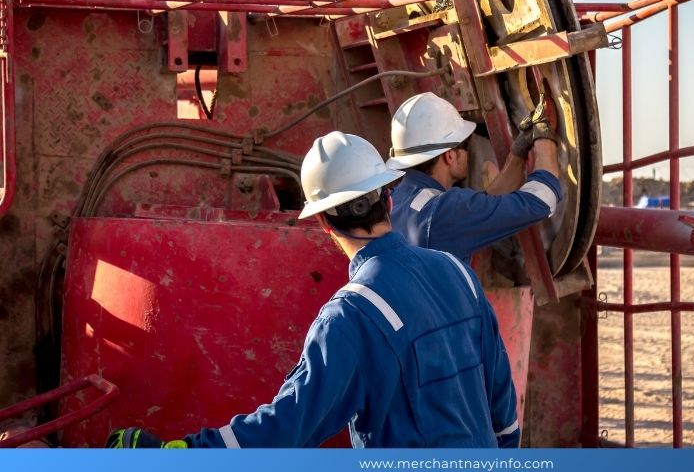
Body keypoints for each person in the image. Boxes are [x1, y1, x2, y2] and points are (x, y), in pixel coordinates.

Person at [106, 131, 519, 449]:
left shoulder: (352, 315)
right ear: (389, 201)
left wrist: (183, 452)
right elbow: (502, 402)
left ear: (323, 224)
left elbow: (289, 425)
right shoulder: (456, 272)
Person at [386, 92, 562, 264]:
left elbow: (485, 205)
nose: (468, 151)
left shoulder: (394, 200)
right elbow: (543, 200)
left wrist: (518, 153)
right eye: (465, 144)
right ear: (449, 156)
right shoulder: (444, 211)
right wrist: (543, 135)